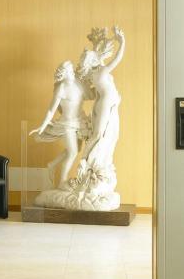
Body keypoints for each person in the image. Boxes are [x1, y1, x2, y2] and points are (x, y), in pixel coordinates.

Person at [29, 61, 90, 189]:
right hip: (67, 124)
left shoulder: (77, 83)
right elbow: (51, 110)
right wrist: (42, 126)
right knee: (72, 152)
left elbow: (90, 94)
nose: (73, 72)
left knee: (76, 149)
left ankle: (52, 165)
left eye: (72, 70)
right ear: (63, 74)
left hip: (79, 122)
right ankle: (62, 181)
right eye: (70, 71)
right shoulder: (61, 88)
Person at [77, 26, 125, 174]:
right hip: (105, 103)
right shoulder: (102, 72)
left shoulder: (95, 73)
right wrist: (122, 41)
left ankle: (93, 162)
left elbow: (98, 94)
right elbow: (117, 59)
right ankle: (84, 161)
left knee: (105, 134)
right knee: (99, 134)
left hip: (104, 103)